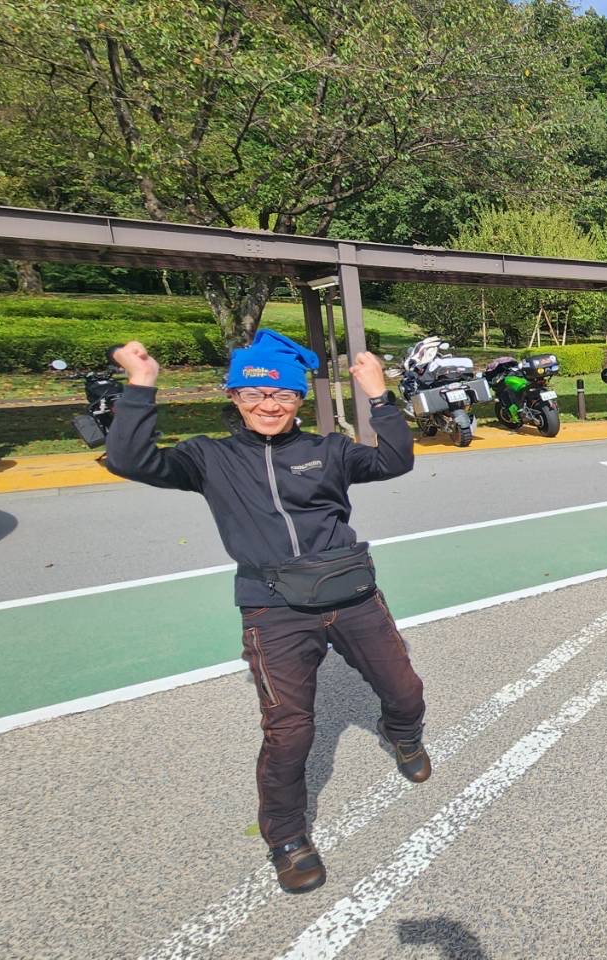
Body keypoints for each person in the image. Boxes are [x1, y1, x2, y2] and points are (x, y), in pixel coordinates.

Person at [104, 330, 429, 895]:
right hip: (273, 607)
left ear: (298, 399)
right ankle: (286, 835)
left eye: (282, 395)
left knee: (404, 690)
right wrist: (141, 385)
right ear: (234, 397)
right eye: (253, 394)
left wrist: (379, 396)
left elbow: (395, 460)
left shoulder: (328, 450)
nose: (268, 406)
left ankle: (403, 734)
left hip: (351, 594)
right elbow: (128, 459)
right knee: (288, 731)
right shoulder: (209, 458)